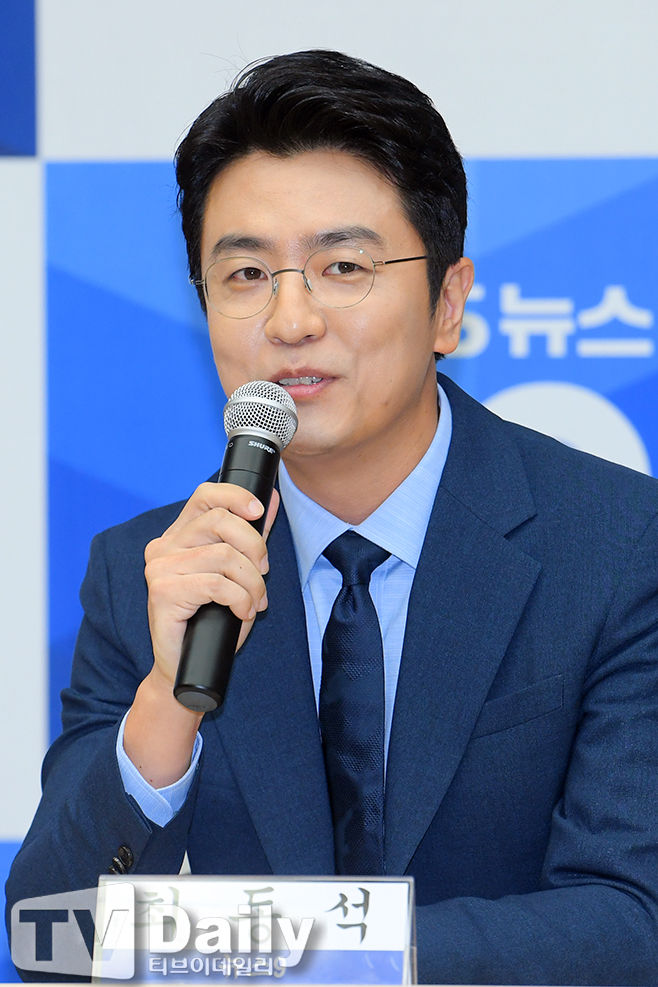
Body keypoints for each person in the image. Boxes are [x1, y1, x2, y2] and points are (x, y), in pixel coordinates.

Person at [7, 49, 658, 985]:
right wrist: (166, 702)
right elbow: (53, 935)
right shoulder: (150, 571)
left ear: (447, 302)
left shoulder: (619, 545)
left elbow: (632, 919)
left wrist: (329, 952)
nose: (290, 319)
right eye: (246, 274)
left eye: (342, 266)